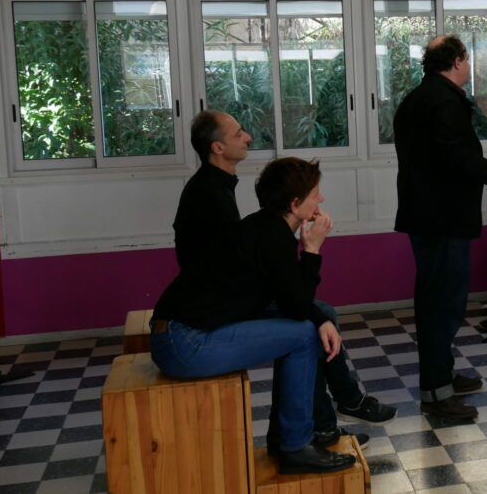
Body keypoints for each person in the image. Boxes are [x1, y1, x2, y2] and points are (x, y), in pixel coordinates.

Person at [159, 112, 390, 443]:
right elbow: (271, 290)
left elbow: (267, 280)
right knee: (308, 328)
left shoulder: (255, 216)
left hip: (207, 312)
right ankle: (307, 434)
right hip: (194, 329)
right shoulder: (211, 195)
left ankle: (326, 421)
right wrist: (312, 252)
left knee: (318, 315)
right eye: (239, 133)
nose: (248, 137)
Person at [151, 156, 354, 475]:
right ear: (295, 203)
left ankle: (295, 434)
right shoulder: (272, 236)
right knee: (304, 335)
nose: (322, 200)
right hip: (185, 343)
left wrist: (321, 316)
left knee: (318, 317)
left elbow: (289, 298)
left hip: (179, 335)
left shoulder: (265, 226)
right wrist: (312, 250)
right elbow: (296, 307)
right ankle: (296, 447)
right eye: (316, 195)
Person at [394, 35, 487, 420]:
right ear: (457, 61)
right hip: (443, 219)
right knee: (442, 306)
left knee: (437, 301)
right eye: (468, 60)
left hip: (427, 217)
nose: (470, 66)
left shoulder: (417, 98)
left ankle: (442, 375)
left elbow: (441, 158)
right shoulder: (445, 101)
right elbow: (457, 160)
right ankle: (436, 393)